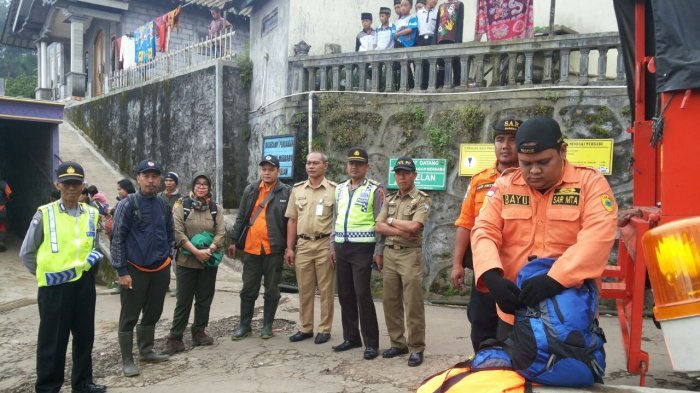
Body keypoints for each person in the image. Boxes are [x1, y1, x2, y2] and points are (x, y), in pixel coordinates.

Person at [471, 117, 618, 342]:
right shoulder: (504, 185)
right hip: (514, 314)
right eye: (526, 164)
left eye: (543, 162)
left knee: (568, 375)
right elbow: (484, 230)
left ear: (563, 151)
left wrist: (555, 279)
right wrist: (491, 275)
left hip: (569, 312)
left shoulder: (590, 184)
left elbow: (597, 237)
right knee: (510, 375)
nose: (534, 171)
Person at [19, 161, 106, 393]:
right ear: (58, 184)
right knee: (53, 341)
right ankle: (48, 387)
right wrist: (45, 274)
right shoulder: (44, 214)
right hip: (54, 288)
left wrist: (87, 273)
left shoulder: (92, 213)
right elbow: (27, 253)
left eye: (76, 183)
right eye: (66, 183)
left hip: (84, 285)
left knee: (85, 336)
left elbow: (94, 246)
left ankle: (83, 383)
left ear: (83, 186)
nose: (71, 188)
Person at [451, 118, 521, 352]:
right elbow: (465, 223)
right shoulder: (479, 180)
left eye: (512, 140)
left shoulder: (530, 179)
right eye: (500, 139)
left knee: (513, 329)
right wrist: (456, 264)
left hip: (517, 270)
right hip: (485, 271)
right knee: (480, 325)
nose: (505, 145)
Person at [110, 160, 174, 377]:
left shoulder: (163, 204)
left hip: (160, 268)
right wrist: (121, 271)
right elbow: (117, 238)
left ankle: (146, 351)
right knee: (129, 315)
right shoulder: (127, 204)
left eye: (154, 176)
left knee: (154, 312)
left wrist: (168, 255)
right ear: (137, 178)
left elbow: (170, 232)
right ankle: (127, 360)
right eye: (146, 175)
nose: (150, 180)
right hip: (135, 269)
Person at [375, 157, 432, 367]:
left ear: (414, 175)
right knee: (390, 301)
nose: (402, 177)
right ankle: (398, 343)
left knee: (413, 302)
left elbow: (415, 227)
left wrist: (390, 222)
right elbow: (378, 226)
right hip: (390, 254)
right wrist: (398, 227)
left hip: (410, 255)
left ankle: (416, 347)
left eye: (406, 173)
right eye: (398, 173)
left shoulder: (422, 199)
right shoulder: (390, 199)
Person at [228, 155, 290, 340]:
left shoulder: (286, 192)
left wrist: (289, 247)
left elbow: (291, 222)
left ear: (278, 171)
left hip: (274, 248)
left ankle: (267, 326)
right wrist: (233, 241)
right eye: (264, 169)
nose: (267, 172)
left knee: (271, 289)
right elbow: (241, 217)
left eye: (271, 169)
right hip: (251, 248)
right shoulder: (251, 189)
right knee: (248, 288)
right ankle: (244, 325)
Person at [330, 148, 384, 360]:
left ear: (367, 167)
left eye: (359, 164)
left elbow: (380, 221)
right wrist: (332, 245)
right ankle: (351, 337)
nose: (354, 167)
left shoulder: (375, 189)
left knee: (362, 294)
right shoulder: (340, 189)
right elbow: (335, 218)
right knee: (345, 294)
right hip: (342, 246)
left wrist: (378, 250)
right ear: (347, 165)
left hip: (363, 247)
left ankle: (372, 342)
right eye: (351, 163)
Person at [163, 173, 225, 355]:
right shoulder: (183, 206)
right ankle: (175, 338)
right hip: (186, 262)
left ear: (209, 188)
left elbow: (221, 233)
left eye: (205, 184)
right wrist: (196, 252)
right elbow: (177, 232)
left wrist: (210, 250)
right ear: (193, 187)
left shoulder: (215, 209)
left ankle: (199, 331)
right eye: (198, 184)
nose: (201, 187)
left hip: (208, 262)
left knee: (205, 299)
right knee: (183, 300)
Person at [285, 152, 337, 345]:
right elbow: (292, 220)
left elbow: (338, 221)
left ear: (325, 166)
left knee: (326, 289)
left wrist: (335, 247)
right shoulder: (298, 190)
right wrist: (290, 248)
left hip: (325, 244)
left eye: (315, 163)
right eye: (308, 163)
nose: (311, 166)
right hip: (304, 245)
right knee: (304, 289)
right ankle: (305, 327)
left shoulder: (334, 190)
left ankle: (324, 329)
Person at [0, 176, 12, 252]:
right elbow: (10, 195)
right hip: (2, 209)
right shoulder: (3, 184)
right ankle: (1, 242)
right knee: (2, 225)